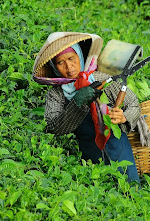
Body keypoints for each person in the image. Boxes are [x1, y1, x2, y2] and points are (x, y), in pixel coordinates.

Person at [41, 34, 141, 184]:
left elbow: (133, 103)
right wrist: (77, 102)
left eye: (71, 58)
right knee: (99, 193)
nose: (69, 67)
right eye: (61, 63)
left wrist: (124, 116)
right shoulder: (56, 93)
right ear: (55, 67)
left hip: (118, 149)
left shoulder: (101, 78)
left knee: (130, 189)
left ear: (80, 56)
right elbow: (54, 127)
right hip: (89, 155)